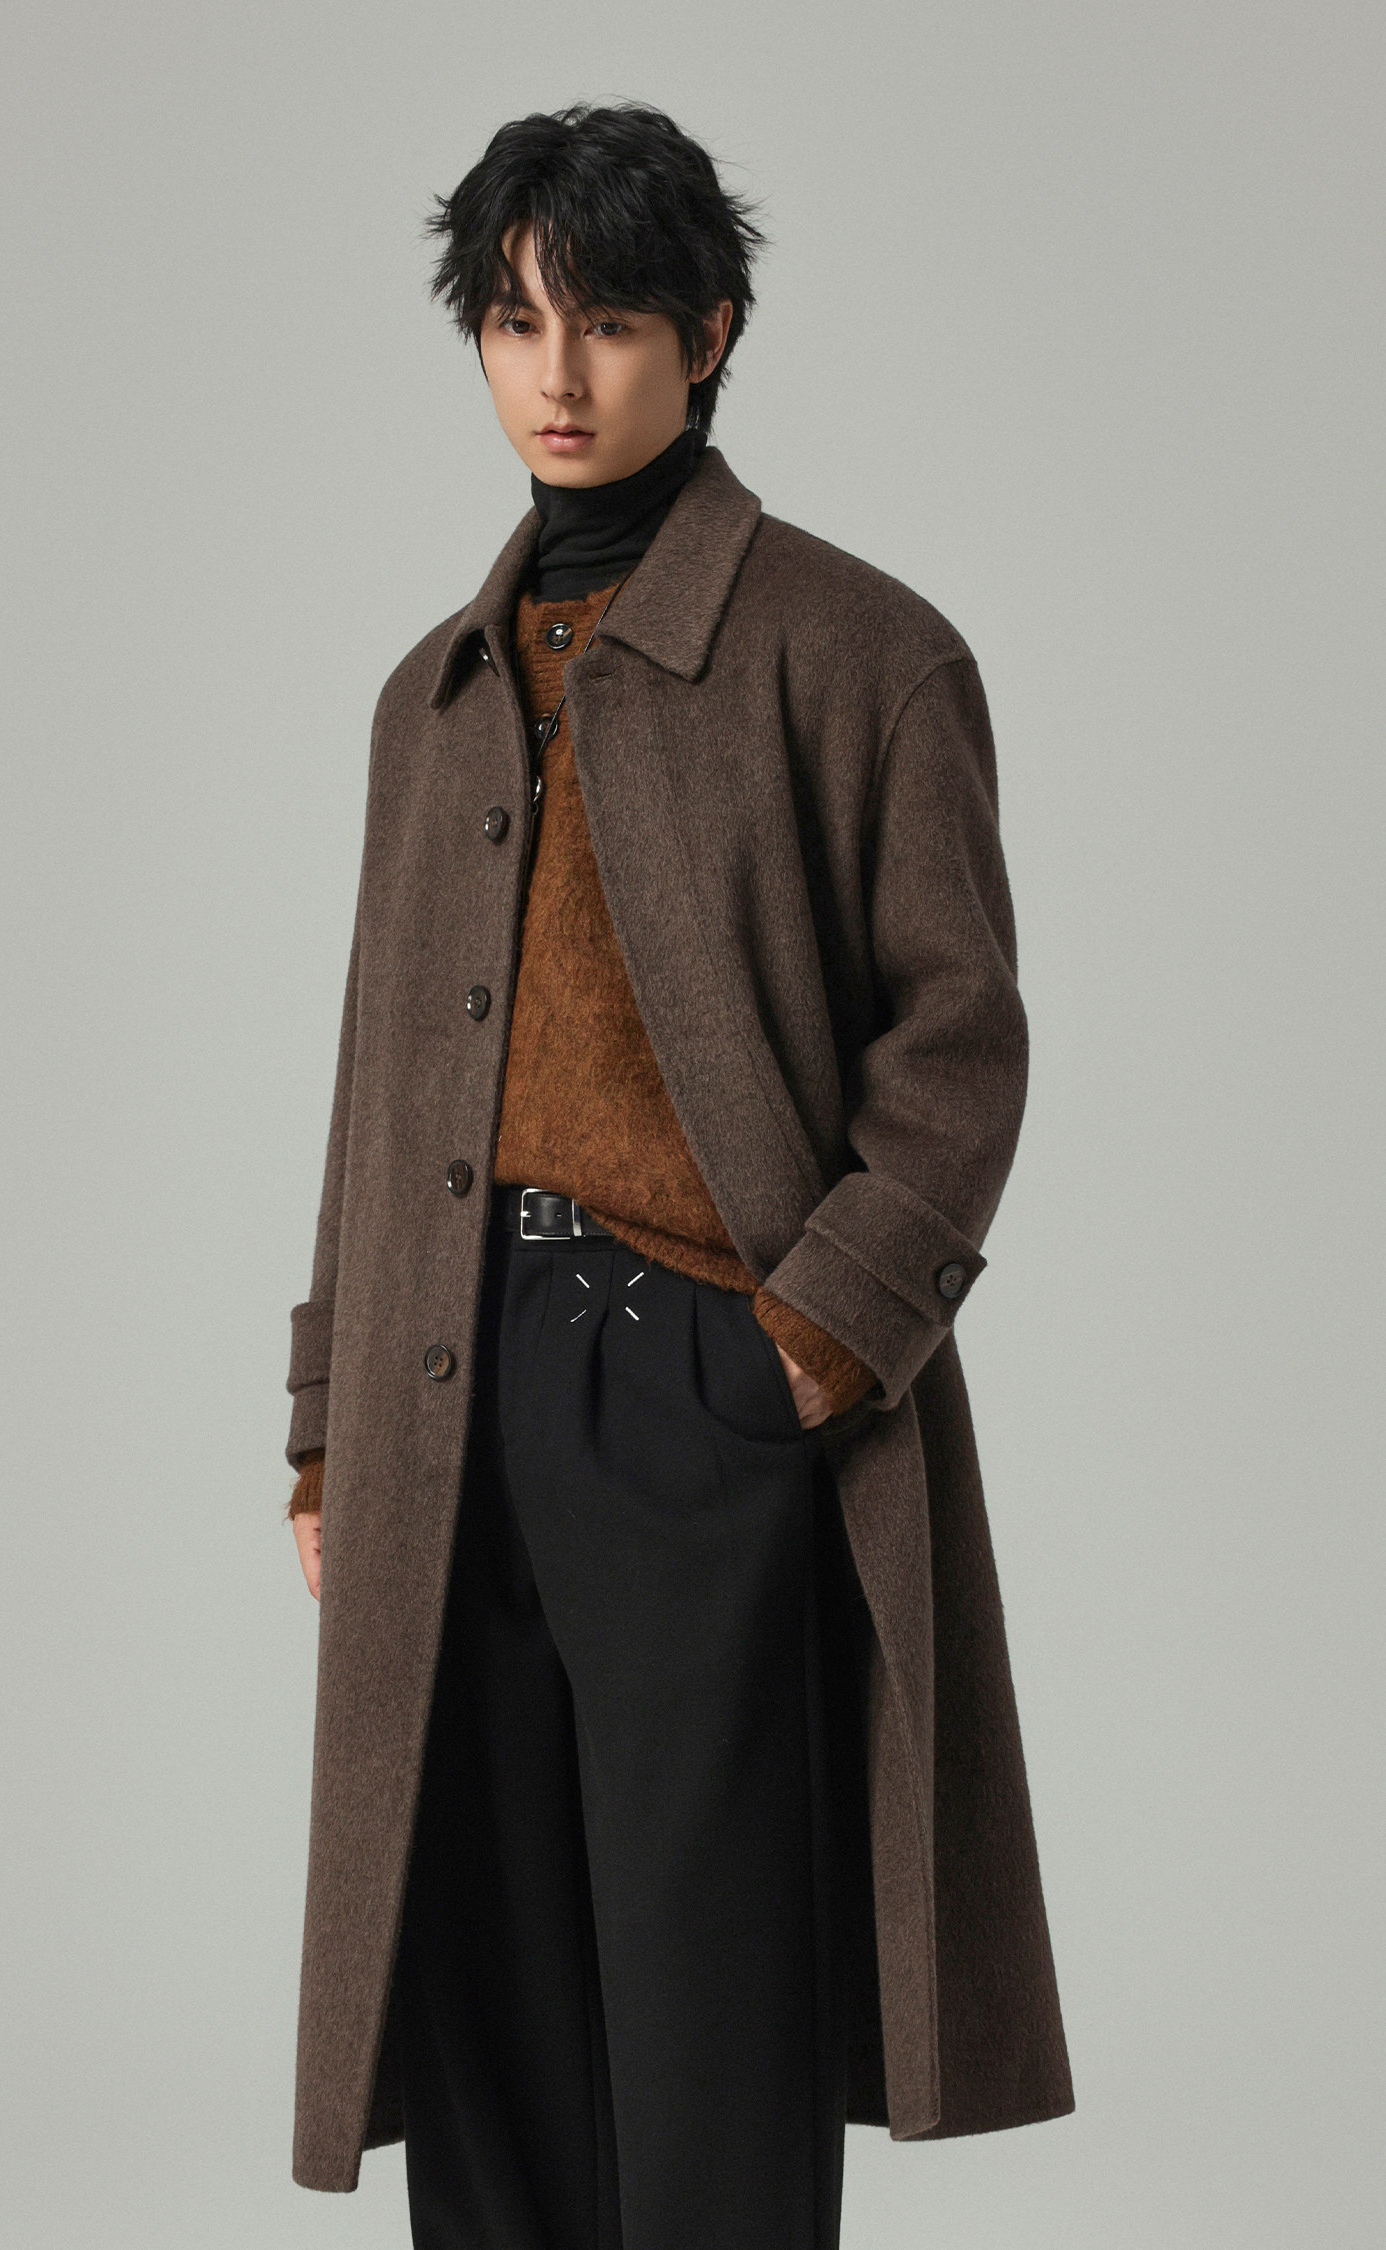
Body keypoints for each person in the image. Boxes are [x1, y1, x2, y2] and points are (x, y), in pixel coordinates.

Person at [282, 100, 1072, 2250]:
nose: (558, 374)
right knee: (487, 2000)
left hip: (700, 1379)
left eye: (612, 322)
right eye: (514, 321)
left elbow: (961, 1041)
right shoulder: (431, 698)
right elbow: (374, 1087)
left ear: (710, 335)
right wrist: (332, 1418)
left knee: (711, 2005)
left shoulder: (860, 651)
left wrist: (807, 1343)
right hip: (453, 1388)